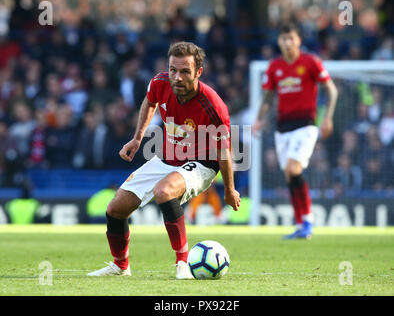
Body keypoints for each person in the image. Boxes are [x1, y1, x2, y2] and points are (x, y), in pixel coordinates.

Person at [88, 42, 240, 278]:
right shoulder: (159, 83)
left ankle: (183, 264)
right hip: (167, 159)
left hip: (202, 163)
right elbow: (150, 102)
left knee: (164, 191)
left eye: (185, 72)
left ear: (198, 72)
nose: (177, 78)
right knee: (115, 209)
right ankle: (120, 266)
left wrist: (230, 189)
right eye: (173, 70)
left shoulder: (213, 106)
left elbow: (224, 151)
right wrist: (137, 139)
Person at [252, 23, 338, 239]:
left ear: (298, 40)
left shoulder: (311, 62)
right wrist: (258, 120)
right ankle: (301, 225)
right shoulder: (275, 67)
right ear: (279, 41)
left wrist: (327, 117)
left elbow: (331, 90)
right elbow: (268, 98)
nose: (287, 42)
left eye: (291, 38)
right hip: (283, 129)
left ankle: (308, 220)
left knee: (294, 168)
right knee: (290, 176)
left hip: (306, 126)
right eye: (283, 38)